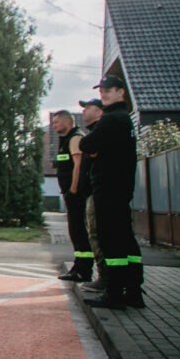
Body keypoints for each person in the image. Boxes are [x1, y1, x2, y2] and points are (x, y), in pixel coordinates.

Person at [80, 75, 144, 309]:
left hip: (108, 189)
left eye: (109, 90)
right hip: (122, 188)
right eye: (102, 90)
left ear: (121, 92)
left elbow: (86, 145)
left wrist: (94, 151)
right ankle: (134, 290)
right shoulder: (126, 120)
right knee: (127, 241)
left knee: (111, 241)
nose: (104, 93)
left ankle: (115, 293)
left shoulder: (110, 120)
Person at [52, 110, 92, 282]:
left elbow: (78, 165)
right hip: (70, 192)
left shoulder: (75, 138)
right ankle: (79, 264)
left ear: (67, 122)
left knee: (79, 230)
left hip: (75, 193)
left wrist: (73, 189)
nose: (54, 126)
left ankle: (84, 268)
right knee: (75, 230)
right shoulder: (66, 140)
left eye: (56, 122)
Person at [77, 98, 108, 293]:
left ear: (99, 112)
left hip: (98, 192)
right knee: (94, 233)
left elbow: (85, 147)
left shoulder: (100, 132)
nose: (84, 111)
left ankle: (105, 276)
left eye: (88, 108)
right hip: (93, 192)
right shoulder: (95, 132)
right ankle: (104, 275)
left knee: (97, 234)